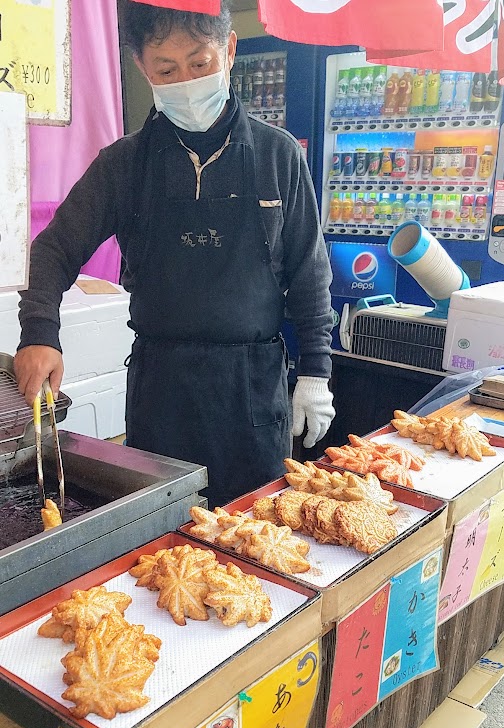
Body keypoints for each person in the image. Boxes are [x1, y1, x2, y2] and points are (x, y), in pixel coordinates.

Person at [14, 0, 335, 508]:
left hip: (251, 390)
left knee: (252, 537)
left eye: (199, 63)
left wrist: (317, 371)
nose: (185, 80)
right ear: (143, 68)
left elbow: (310, 271)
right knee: (160, 545)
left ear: (229, 50)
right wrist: (38, 334)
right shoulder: (123, 166)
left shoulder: (280, 157)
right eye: (167, 69)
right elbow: (53, 250)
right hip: (160, 390)